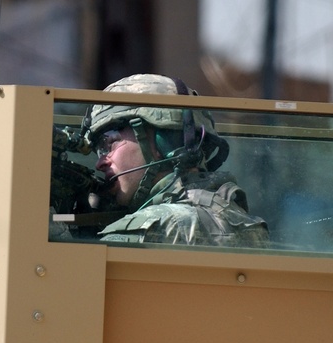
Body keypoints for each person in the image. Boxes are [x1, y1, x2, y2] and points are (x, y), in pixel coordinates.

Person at [88, 74, 269, 247]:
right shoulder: (229, 213)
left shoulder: (159, 226)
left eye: (109, 143)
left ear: (164, 141)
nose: (100, 163)